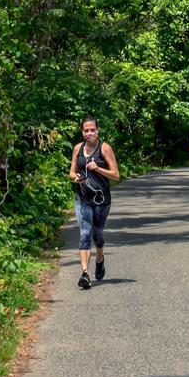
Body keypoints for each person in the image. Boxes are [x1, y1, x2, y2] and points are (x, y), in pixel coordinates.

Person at [70, 119, 118, 290]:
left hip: (102, 199)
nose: (88, 133)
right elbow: (72, 170)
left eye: (92, 130)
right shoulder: (77, 148)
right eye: (85, 130)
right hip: (83, 197)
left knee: (97, 235)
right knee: (84, 233)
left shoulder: (104, 148)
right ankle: (85, 273)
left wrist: (98, 169)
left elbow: (116, 175)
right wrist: (74, 177)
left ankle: (99, 260)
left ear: (98, 131)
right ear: (82, 131)